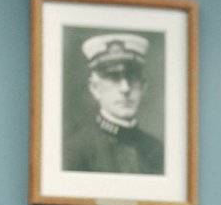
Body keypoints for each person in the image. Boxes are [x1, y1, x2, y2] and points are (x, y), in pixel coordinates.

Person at [63, 32, 164, 175]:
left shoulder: (157, 150)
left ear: (143, 87)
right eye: (113, 78)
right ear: (95, 88)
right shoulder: (74, 152)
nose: (125, 88)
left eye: (132, 77)